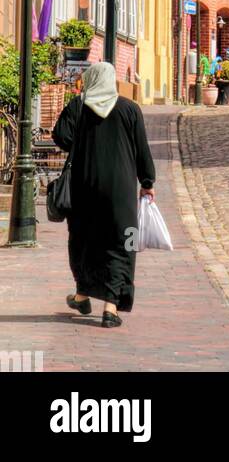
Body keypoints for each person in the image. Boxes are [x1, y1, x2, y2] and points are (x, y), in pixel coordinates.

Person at [52, 61, 156, 328]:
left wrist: (82, 141)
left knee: (84, 240)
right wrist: (147, 181)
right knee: (123, 243)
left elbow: (60, 136)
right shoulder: (130, 109)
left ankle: (82, 293)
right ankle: (111, 307)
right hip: (120, 191)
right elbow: (142, 149)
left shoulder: (78, 106)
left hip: (83, 187)